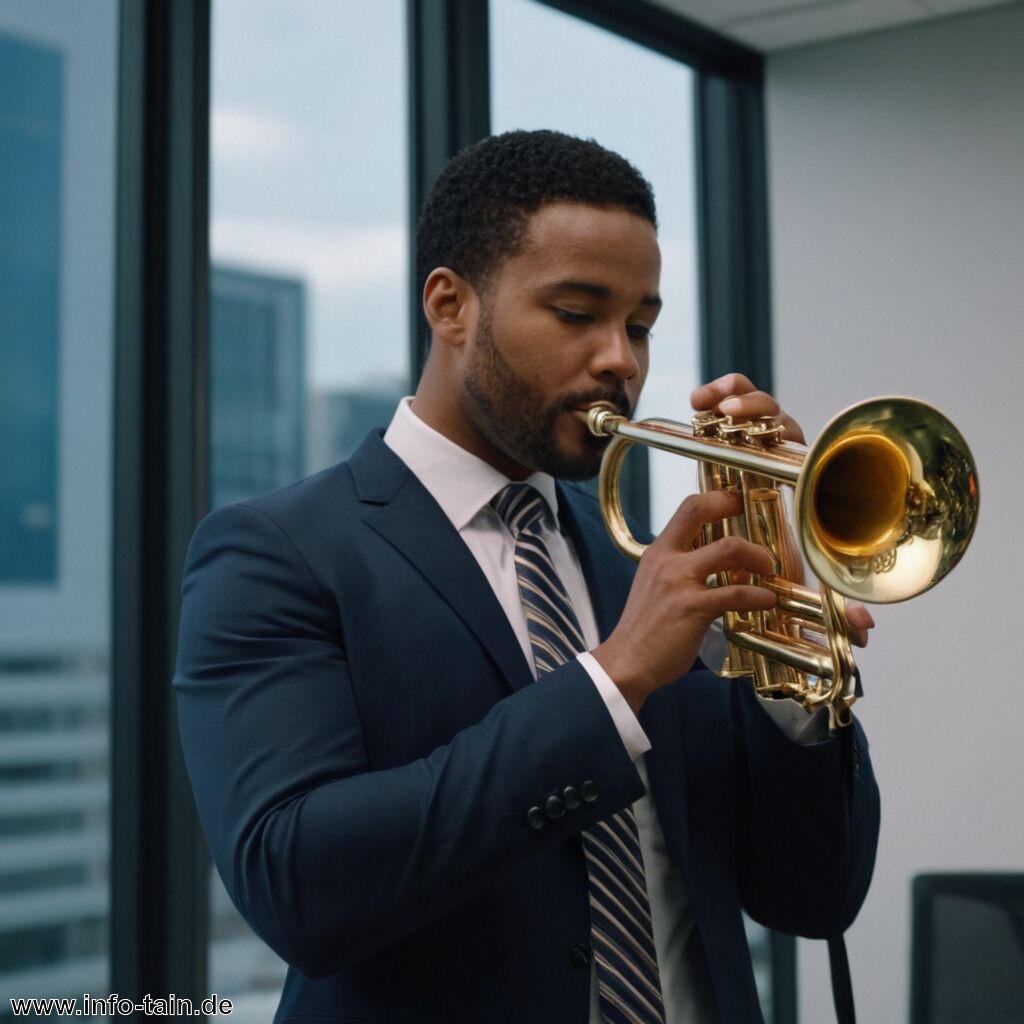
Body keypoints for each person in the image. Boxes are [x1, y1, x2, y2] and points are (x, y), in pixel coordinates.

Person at [174, 129, 879, 1024]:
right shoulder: (274, 553)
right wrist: (614, 679)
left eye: (641, 325)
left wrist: (793, 696)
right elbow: (300, 886)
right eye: (578, 314)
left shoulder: (645, 563)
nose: (621, 359)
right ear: (450, 305)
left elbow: (812, 900)